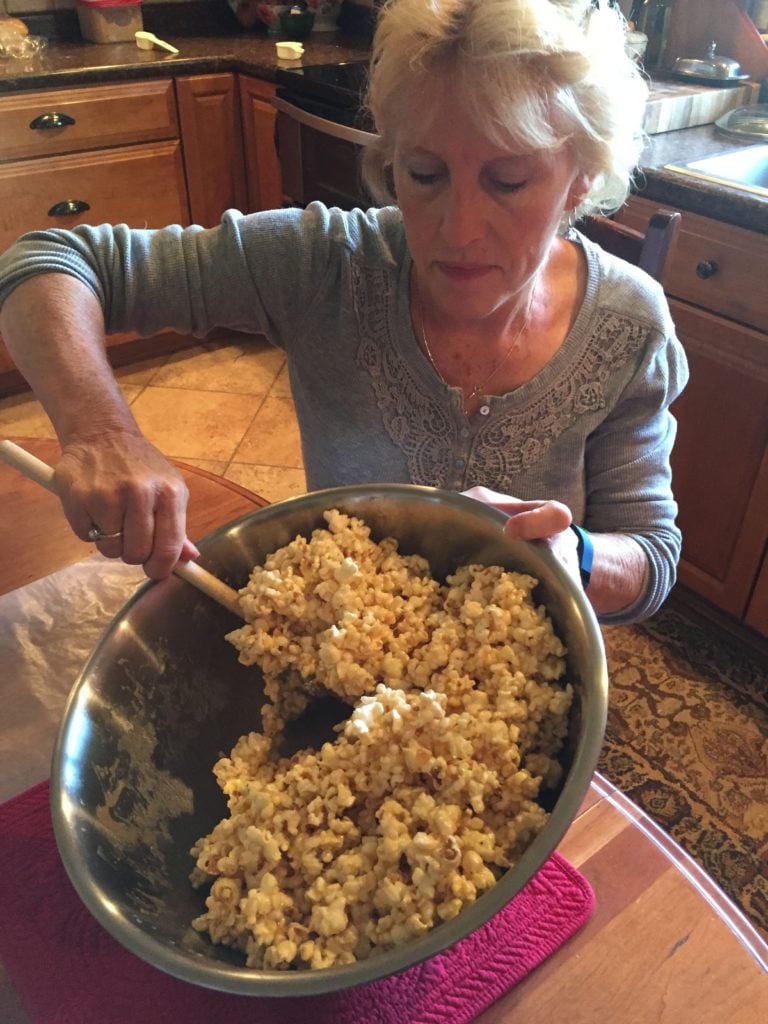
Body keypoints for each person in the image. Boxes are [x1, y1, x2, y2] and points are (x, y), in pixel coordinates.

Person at [0, 0, 687, 624]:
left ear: (582, 178)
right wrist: (99, 431)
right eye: (424, 174)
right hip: (344, 655)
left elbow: (651, 556)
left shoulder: (628, 324)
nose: (457, 230)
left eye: (508, 181)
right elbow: (47, 262)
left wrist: (577, 554)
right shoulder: (325, 266)